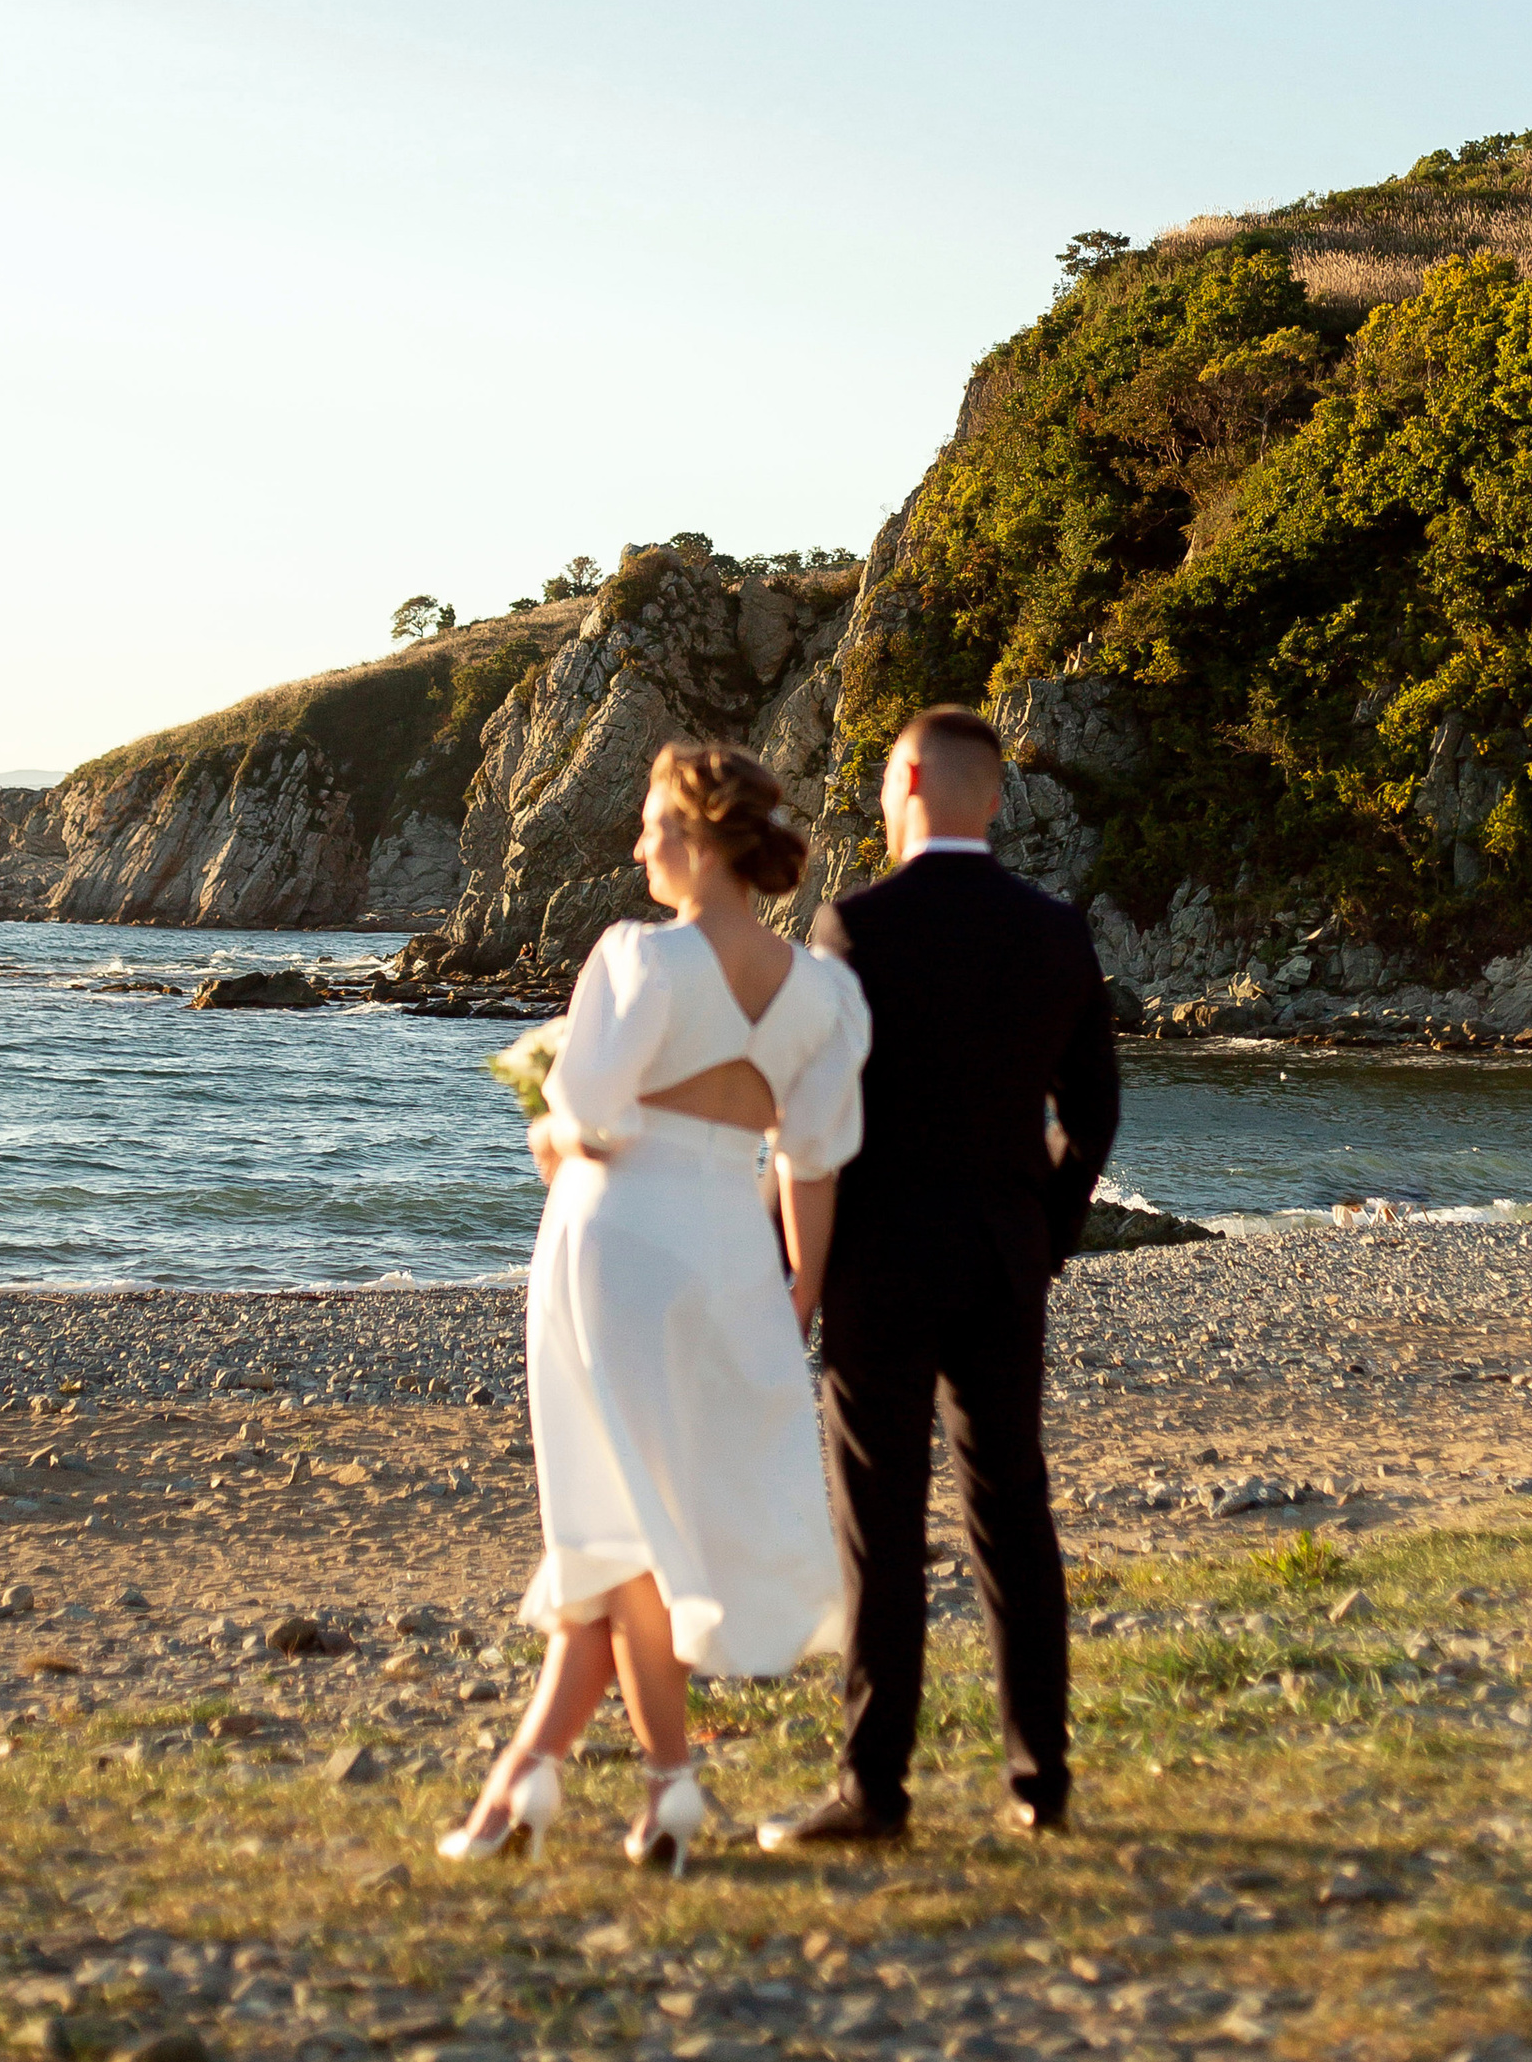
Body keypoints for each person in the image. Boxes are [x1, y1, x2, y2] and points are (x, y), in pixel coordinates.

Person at [438, 741, 870, 1875]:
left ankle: (664, 1778)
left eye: (649, 826)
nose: (638, 847)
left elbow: (589, 1116)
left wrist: (543, 1128)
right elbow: (813, 1159)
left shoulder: (637, 957)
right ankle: (524, 1779)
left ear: (693, 833)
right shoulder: (824, 990)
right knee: (629, 1514)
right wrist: (800, 1292)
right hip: (737, 1249)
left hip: (615, 1238)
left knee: (618, 1519)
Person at [758, 702, 1120, 1850]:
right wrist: (1042, 1230)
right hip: (1003, 1256)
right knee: (1013, 1516)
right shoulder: (1056, 929)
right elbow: (1096, 1110)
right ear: (995, 795)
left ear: (905, 779)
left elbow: (814, 1116)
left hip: (878, 1260)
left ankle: (876, 1790)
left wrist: (793, 1260)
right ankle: (1038, 1783)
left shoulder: (854, 927)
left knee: (881, 1525)